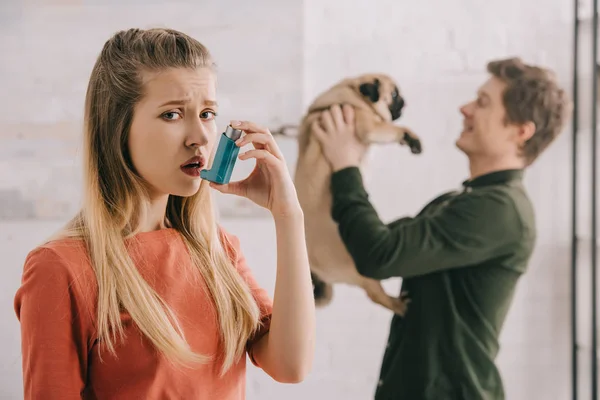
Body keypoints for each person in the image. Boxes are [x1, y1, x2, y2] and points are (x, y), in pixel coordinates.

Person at [13, 27, 315, 400]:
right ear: (117, 129)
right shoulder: (60, 267)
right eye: (172, 114)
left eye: (207, 113)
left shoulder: (219, 250)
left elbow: (291, 366)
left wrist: (289, 216)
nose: (200, 137)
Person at [311, 57, 571, 399]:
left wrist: (345, 164)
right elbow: (380, 242)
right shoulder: (464, 201)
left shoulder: (499, 210)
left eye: (483, 102)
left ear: (520, 131)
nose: (465, 109)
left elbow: (379, 254)